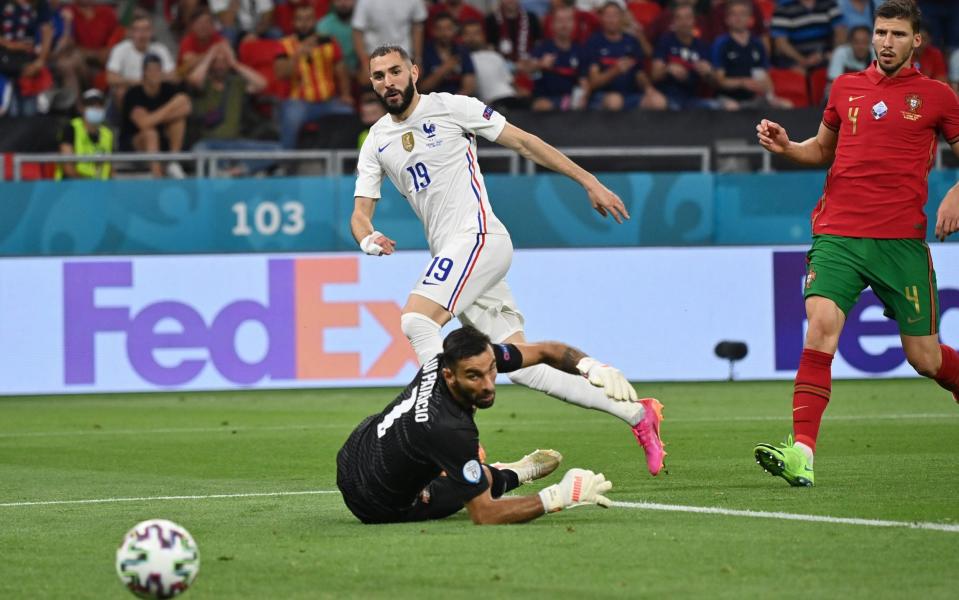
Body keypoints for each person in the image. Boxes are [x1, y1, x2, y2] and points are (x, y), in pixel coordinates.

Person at [350, 45, 666, 476]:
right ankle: (638, 414)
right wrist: (367, 239)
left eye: (395, 72)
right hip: (456, 257)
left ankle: (449, 430)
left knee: (416, 321)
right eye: (378, 76)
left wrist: (587, 180)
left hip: (479, 238)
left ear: (414, 72)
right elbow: (360, 213)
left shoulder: (452, 107)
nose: (388, 82)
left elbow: (524, 142)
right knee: (523, 367)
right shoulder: (377, 141)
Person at [753, 0, 959, 487]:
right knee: (820, 326)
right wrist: (787, 147)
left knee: (925, 358)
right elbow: (822, 150)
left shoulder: (938, 96)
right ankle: (801, 452)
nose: (886, 42)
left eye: (897, 34)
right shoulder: (845, 87)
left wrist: (955, 192)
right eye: (880, 32)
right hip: (838, 234)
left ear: (916, 42)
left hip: (900, 244)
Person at [336, 326, 624, 524]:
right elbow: (485, 515)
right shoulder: (449, 429)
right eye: (474, 377)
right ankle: (514, 473)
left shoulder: (452, 361)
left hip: (355, 448)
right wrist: (559, 496)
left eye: (492, 371)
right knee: (471, 486)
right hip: (374, 503)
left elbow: (546, 351)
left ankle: (468, 469)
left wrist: (592, 367)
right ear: (449, 376)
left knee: (453, 463)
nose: (488, 385)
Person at [188, 42, 280, 176]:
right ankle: (222, 171)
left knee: (278, 150)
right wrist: (209, 56)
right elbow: (194, 80)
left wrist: (234, 63)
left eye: (223, 61)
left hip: (236, 142)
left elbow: (262, 84)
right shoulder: (204, 83)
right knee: (198, 151)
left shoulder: (236, 83)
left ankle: (236, 171)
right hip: (210, 144)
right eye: (216, 61)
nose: (220, 65)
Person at [275, 2, 354, 149]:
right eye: (300, 19)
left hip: (328, 101)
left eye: (308, 19)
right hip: (299, 102)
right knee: (291, 118)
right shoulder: (285, 44)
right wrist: (298, 54)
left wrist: (345, 94)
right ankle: (286, 161)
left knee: (348, 113)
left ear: (315, 20)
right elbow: (280, 73)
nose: (304, 24)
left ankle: (343, 164)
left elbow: (341, 69)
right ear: (294, 22)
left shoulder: (329, 41)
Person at [120, 54, 192, 179]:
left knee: (178, 121)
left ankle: (173, 162)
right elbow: (143, 124)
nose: (154, 74)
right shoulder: (133, 93)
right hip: (135, 142)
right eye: (151, 70)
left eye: (158, 70)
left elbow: (187, 107)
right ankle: (157, 177)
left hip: (164, 138)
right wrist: (172, 105)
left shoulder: (168, 89)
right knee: (150, 133)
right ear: (144, 73)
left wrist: (155, 118)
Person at [584, 1, 666, 111]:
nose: (612, 20)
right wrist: (615, 70)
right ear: (601, 18)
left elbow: (639, 73)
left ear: (622, 18)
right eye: (608, 16)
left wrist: (648, 88)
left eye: (615, 16)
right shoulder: (594, 42)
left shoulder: (631, 41)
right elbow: (593, 83)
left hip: (630, 95)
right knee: (615, 101)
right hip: (603, 96)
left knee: (658, 101)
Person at [650, 2, 716, 110]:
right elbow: (654, 75)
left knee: (715, 106)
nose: (684, 22)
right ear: (674, 22)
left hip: (693, 99)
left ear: (694, 20)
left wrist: (708, 73)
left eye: (688, 18)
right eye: (679, 18)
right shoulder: (665, 41)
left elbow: (714, 83)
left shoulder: (702, 46)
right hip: (668, 97)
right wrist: (668, 69)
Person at [712, 0, 775, 110]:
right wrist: (742, 83)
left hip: (753, 98)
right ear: (727, 19)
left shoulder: (757, 44)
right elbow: (719, 81)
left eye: (743, 14)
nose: (738, 18)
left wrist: (771, 96)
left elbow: (763, 74)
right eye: (734, 14)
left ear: (750, 19)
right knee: (732, 107)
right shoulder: (721, 43)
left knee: (784, 105)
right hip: (727, 97)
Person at [106, 10, 176, 106]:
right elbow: (111, 78)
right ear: (130, 32)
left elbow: (172, 76)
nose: (142, 35)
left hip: (155, 91)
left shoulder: (161, 49)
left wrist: (151, 83)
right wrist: (139, 83)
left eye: (146, 30)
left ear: (152, 32)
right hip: (131, 90)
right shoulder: (120, 49)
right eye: (138, 30)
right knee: (120, 91)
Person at [529, 4, 589, 111]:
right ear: (552, 24)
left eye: (568, 20)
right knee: (543, 105)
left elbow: (583, 81)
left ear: (574, 24)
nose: (564, 25)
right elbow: (526, 69)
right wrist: (540, 64)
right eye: (560, 21)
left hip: (571, 102)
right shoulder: (542, 48)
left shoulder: (580, 50)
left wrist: (584, 95)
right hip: (545, 101)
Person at [352, 0, 427, 82]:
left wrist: (417, 60)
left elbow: (417, 28)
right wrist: (364, 64)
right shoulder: (365, 2)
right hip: (374, 58)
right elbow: (357, 32)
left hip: (404, 57)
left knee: (406, 93)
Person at [770, 0, 844, 71]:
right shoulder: (783, 8)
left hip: (826, 55)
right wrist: (803, 60)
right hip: (795, 59)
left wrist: (833, 53)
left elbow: (840, 32)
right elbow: (781, 43)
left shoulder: (829, 4)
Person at [55, 88, 112, 180]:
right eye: (91, 105)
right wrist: (88, 185)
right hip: (72, 188)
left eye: (99, 105)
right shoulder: (71, 129)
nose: (96, 109)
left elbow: (109, 168)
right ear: (81, 108)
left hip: (100, 190)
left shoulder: (108, 134)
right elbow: (68, 168)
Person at [419, 12, 476, 96]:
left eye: (448, 28)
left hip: (458, 101)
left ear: (454, 30)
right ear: (433, 31)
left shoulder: (462, 51)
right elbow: (422, 88)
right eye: (440, 29)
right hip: (433, 102)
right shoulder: (425, 52)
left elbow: (469, 87)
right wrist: (445, 68)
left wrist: (452, 103)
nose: (444, 33)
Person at [317, 0, 359, 76]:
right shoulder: (323, 26)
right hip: (332, 77)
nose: (343, 3)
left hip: (362, 74)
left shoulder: (363, 24)